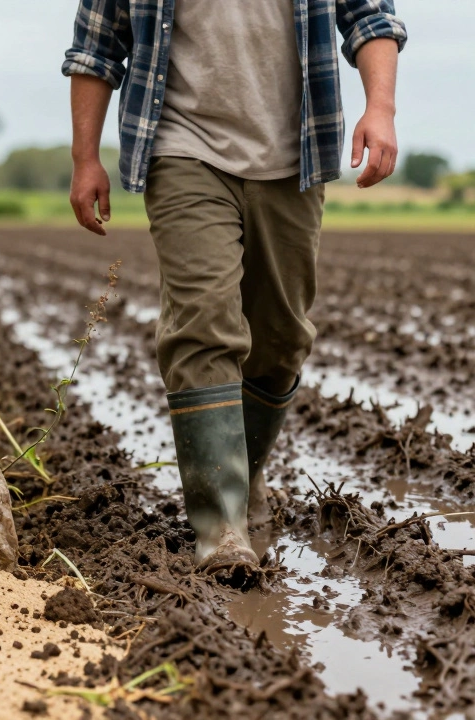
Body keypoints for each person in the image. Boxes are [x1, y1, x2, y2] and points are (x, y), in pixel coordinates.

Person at [63, 0, 406, 571]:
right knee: (203, 324)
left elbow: (370, 18)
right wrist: (84, 158)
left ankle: (241, 473)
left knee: (281, 338)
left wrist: (382, 107)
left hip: (293, 153)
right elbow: (97, 46)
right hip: (180, 149)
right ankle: (220, 528)